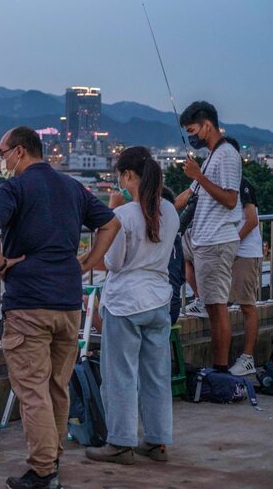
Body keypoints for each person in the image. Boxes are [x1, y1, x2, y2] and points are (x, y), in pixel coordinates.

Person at [0, 126, 120, 489]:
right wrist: (87, 261)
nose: (2, 160)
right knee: (58, 387)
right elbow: (111, 222)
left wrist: (0, 264)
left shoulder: (14, 187)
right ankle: (53, 460)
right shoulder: (72, 187)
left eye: (3, 152)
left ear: (21, 151)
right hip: (69, 303)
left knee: (32, 391)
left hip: (29, 303)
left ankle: (43, 471)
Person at [84, 146, 179, 466]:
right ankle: (156, 439)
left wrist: (109, 215)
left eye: (120, 176)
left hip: (126, 302)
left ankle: (120, 441)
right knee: (156, 373)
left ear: (128, 176)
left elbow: (112, 262)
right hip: (158, 298)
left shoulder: (123, 215)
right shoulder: (170, 210)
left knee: (120, 375)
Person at [174, 101, 241, 372]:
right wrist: (156, 208)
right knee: (211, 305)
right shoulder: (212, 156)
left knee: (217, 307)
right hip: (201, 239)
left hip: (215, 240)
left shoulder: (226, 156)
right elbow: (188, 195)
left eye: (192, 130)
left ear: (207, 125)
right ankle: (218, 367)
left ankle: (220, 368)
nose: (191, 137)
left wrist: (199, 176)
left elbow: (229, 199)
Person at [224, 136, 263, 376]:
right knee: (221, 304)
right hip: (229, 253)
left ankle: (248, 358)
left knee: (247, 306)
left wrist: (231, 242)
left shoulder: (242, 183)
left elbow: (252, 220)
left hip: (246, 254)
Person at [162, 186, 185, 326]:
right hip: (173, 310)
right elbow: (181, 277)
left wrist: (113, 209)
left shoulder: (153, 239)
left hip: (160, 310)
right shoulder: (175, 239)